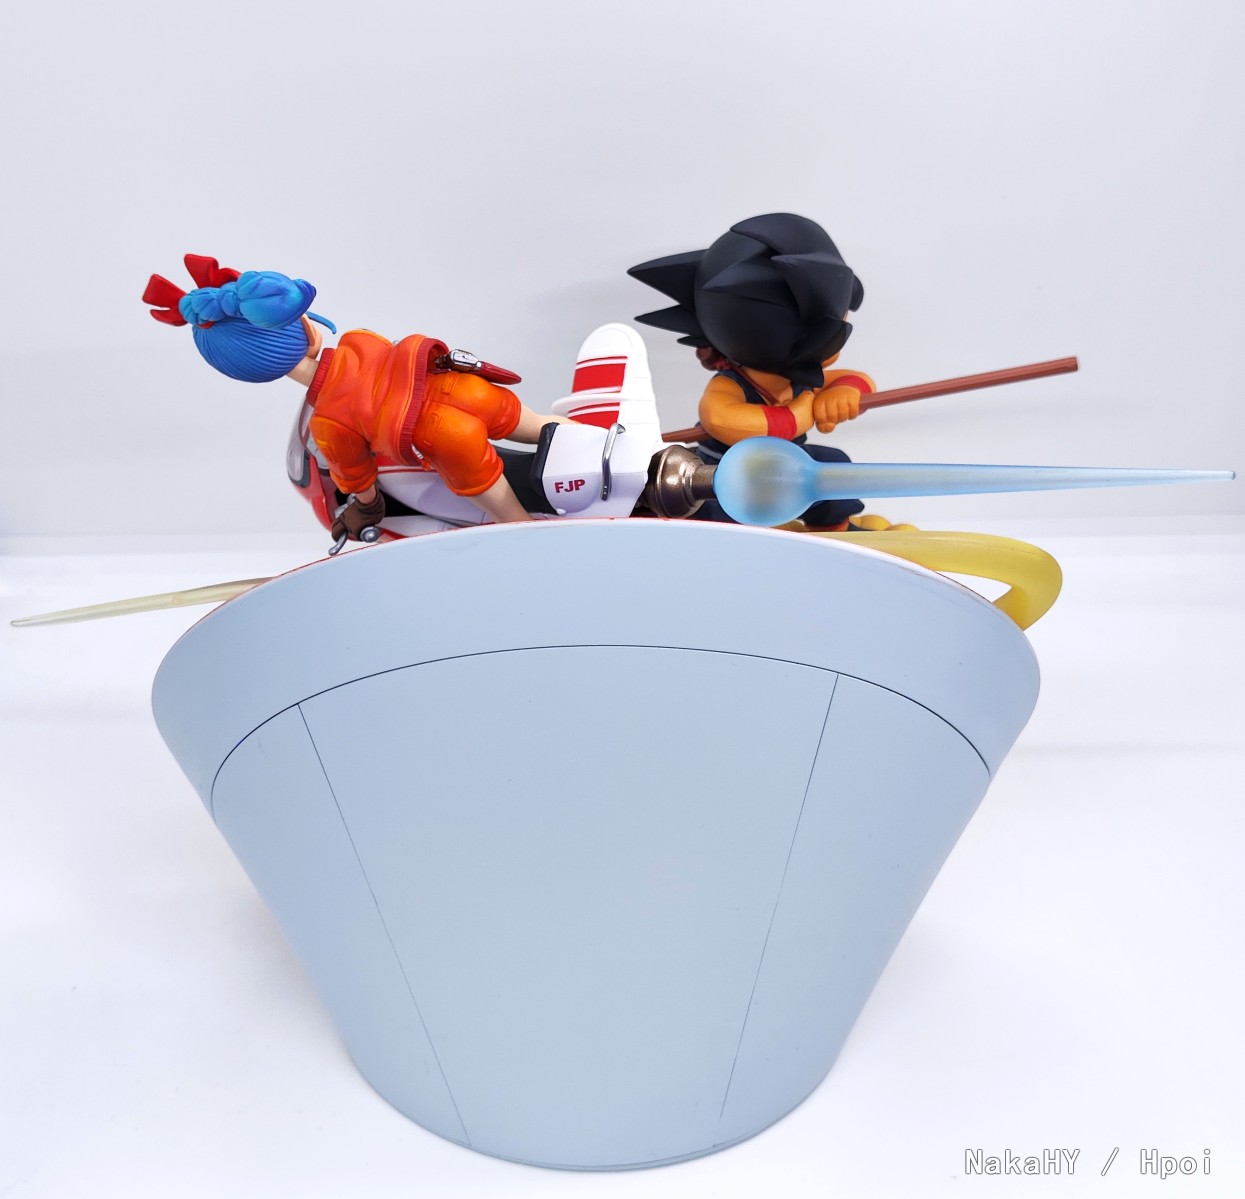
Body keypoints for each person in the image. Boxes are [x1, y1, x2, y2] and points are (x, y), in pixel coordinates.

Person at [143, 254, 564, 540]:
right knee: (543, 427)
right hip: (464, 387)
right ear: (309, 330)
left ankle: (545, 550)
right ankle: (595, 435)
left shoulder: (327, 423)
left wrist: (365, 506)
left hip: (448, 437)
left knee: (511, 521)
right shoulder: (357, 337)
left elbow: (357, 478)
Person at [629, 213, 875, 529]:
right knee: (715, 503)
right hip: (725, 472)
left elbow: (853, 379)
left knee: (834, 467)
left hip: (789, 464)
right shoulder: (732, 384)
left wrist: (846, 393)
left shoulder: (797, 376)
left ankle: (835, 529)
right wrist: (798, 414)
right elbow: (721, 417)